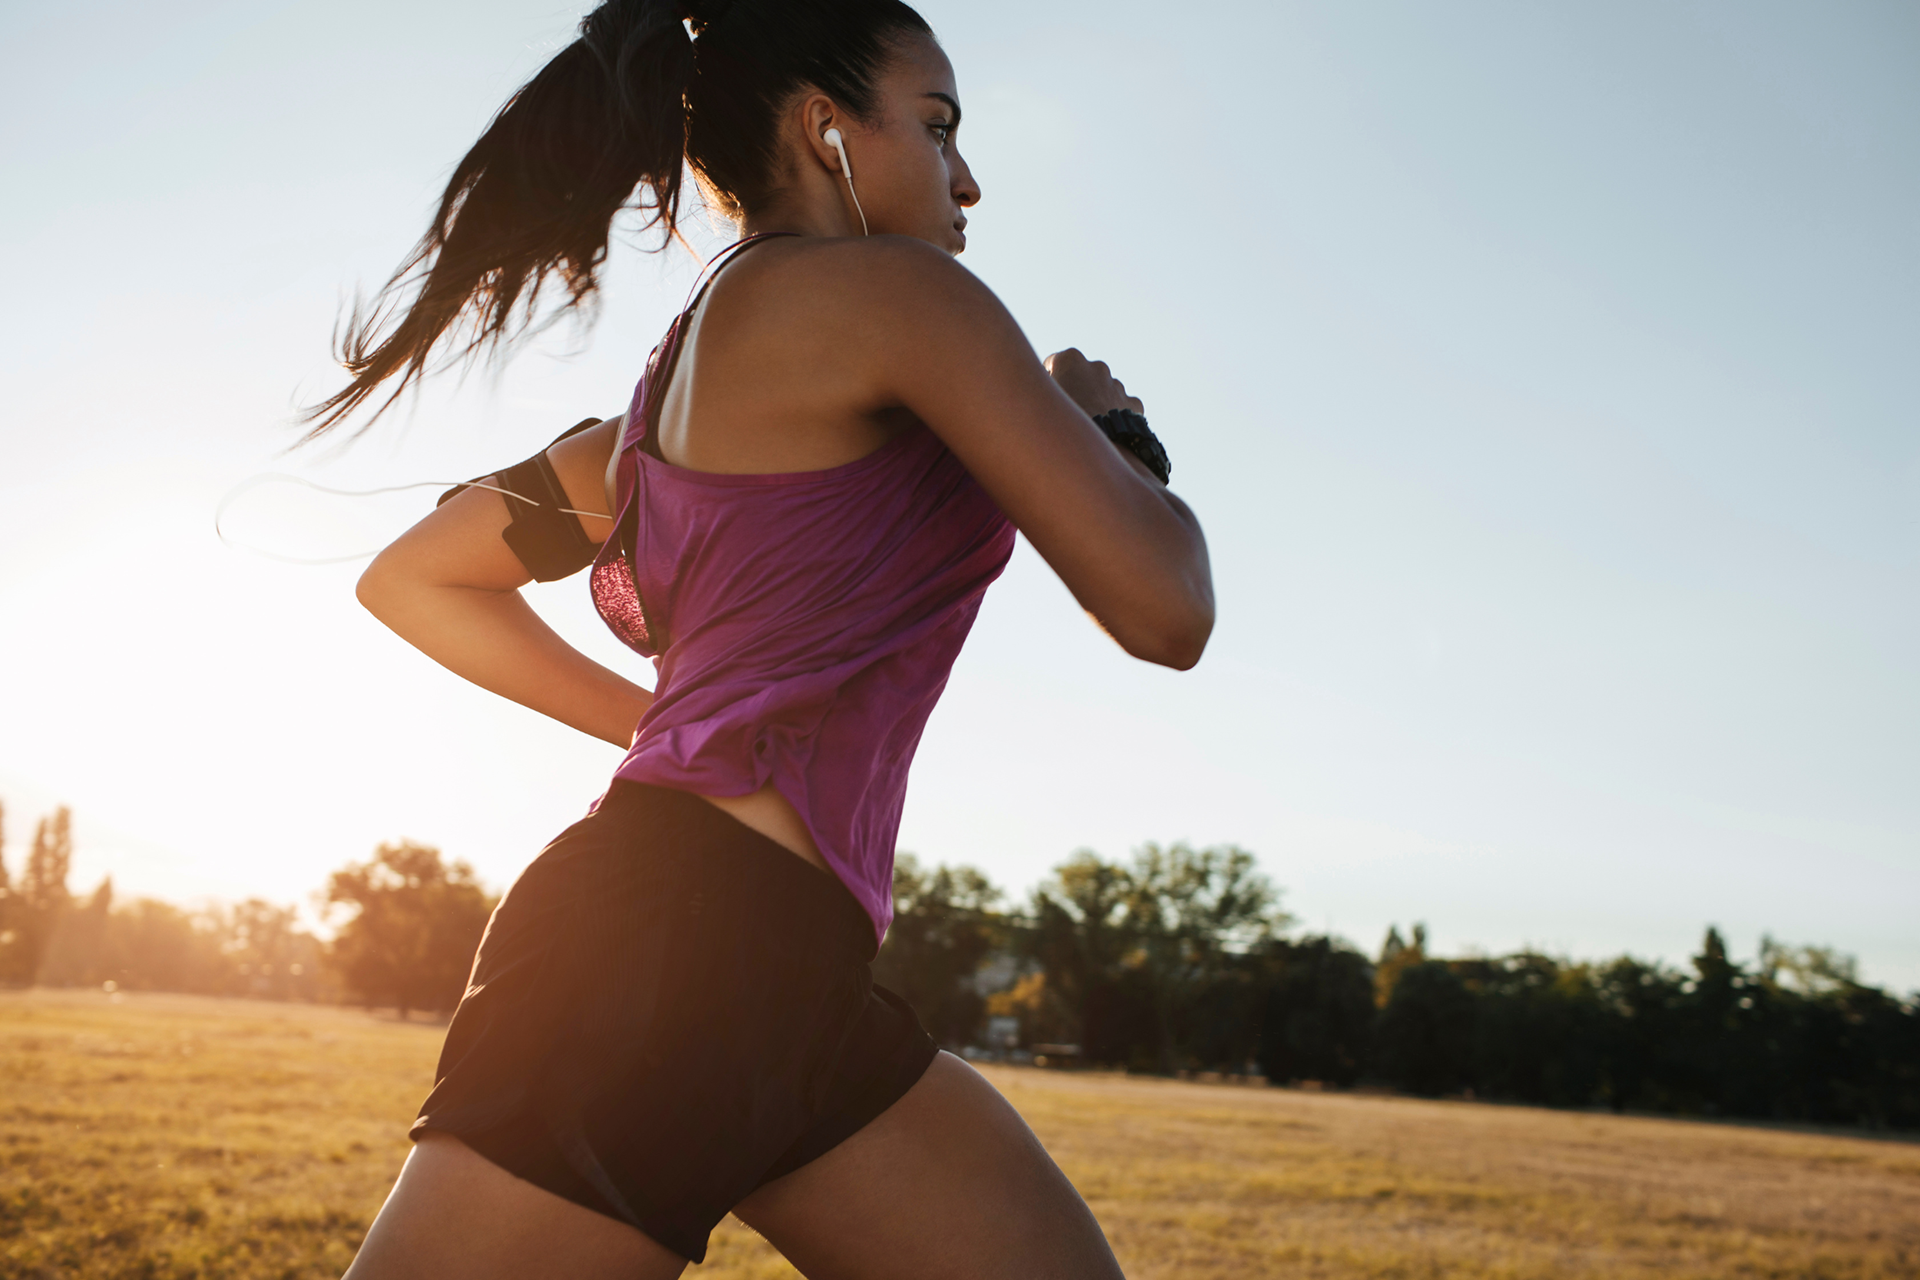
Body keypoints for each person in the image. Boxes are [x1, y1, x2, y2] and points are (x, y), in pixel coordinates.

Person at [324, 0, 1212, 1275]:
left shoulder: (635, 434)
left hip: (789, 977)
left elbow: (415, 578)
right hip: (668, 953)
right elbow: (1166, 605)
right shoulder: (909, 297)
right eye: (937, 123)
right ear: (823, 130)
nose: (968, 178)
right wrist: (1113, 431)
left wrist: (664, 730)